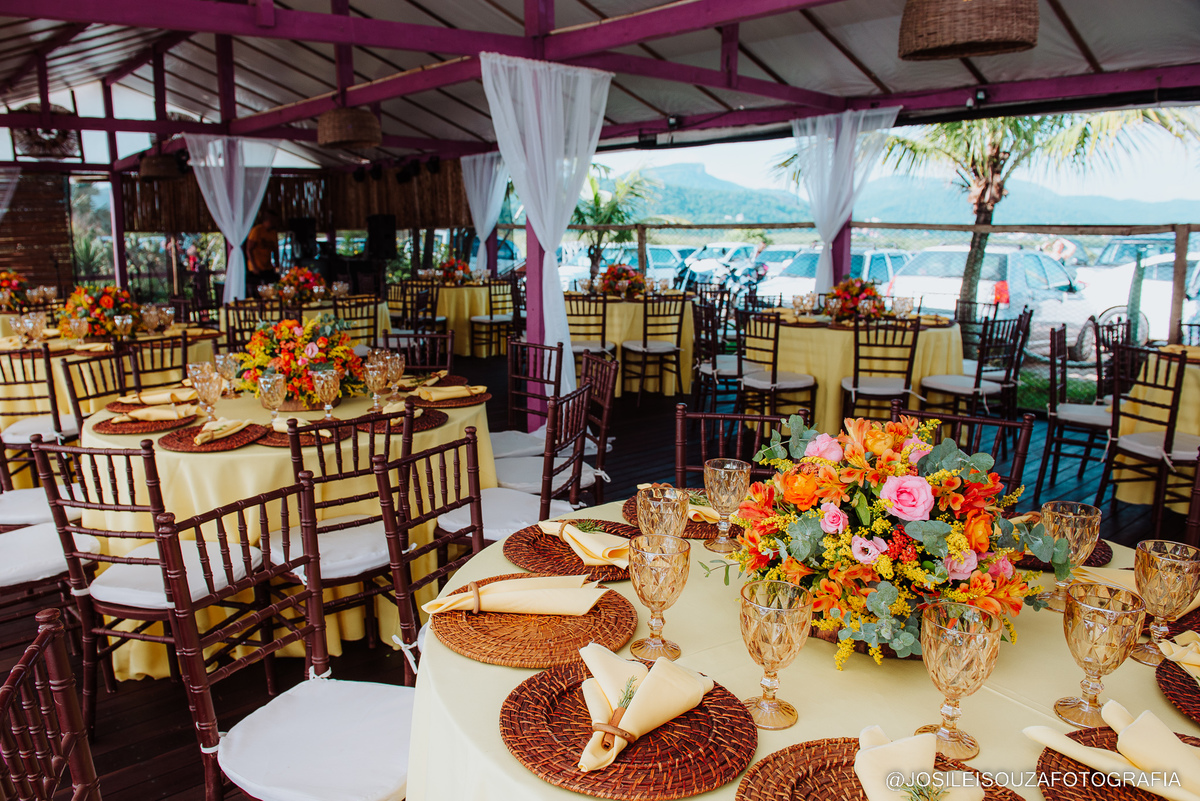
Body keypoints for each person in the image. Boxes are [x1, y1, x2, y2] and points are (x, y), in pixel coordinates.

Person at [246, 209, 282, 284]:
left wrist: (277, 266)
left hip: (268, 267)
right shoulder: (257, 231)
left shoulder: (273, 233)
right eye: (274, 221)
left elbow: (275, 251)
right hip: (256, 268)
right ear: (269, 220)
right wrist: (255, 267)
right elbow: (249, 250)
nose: (276, 223)